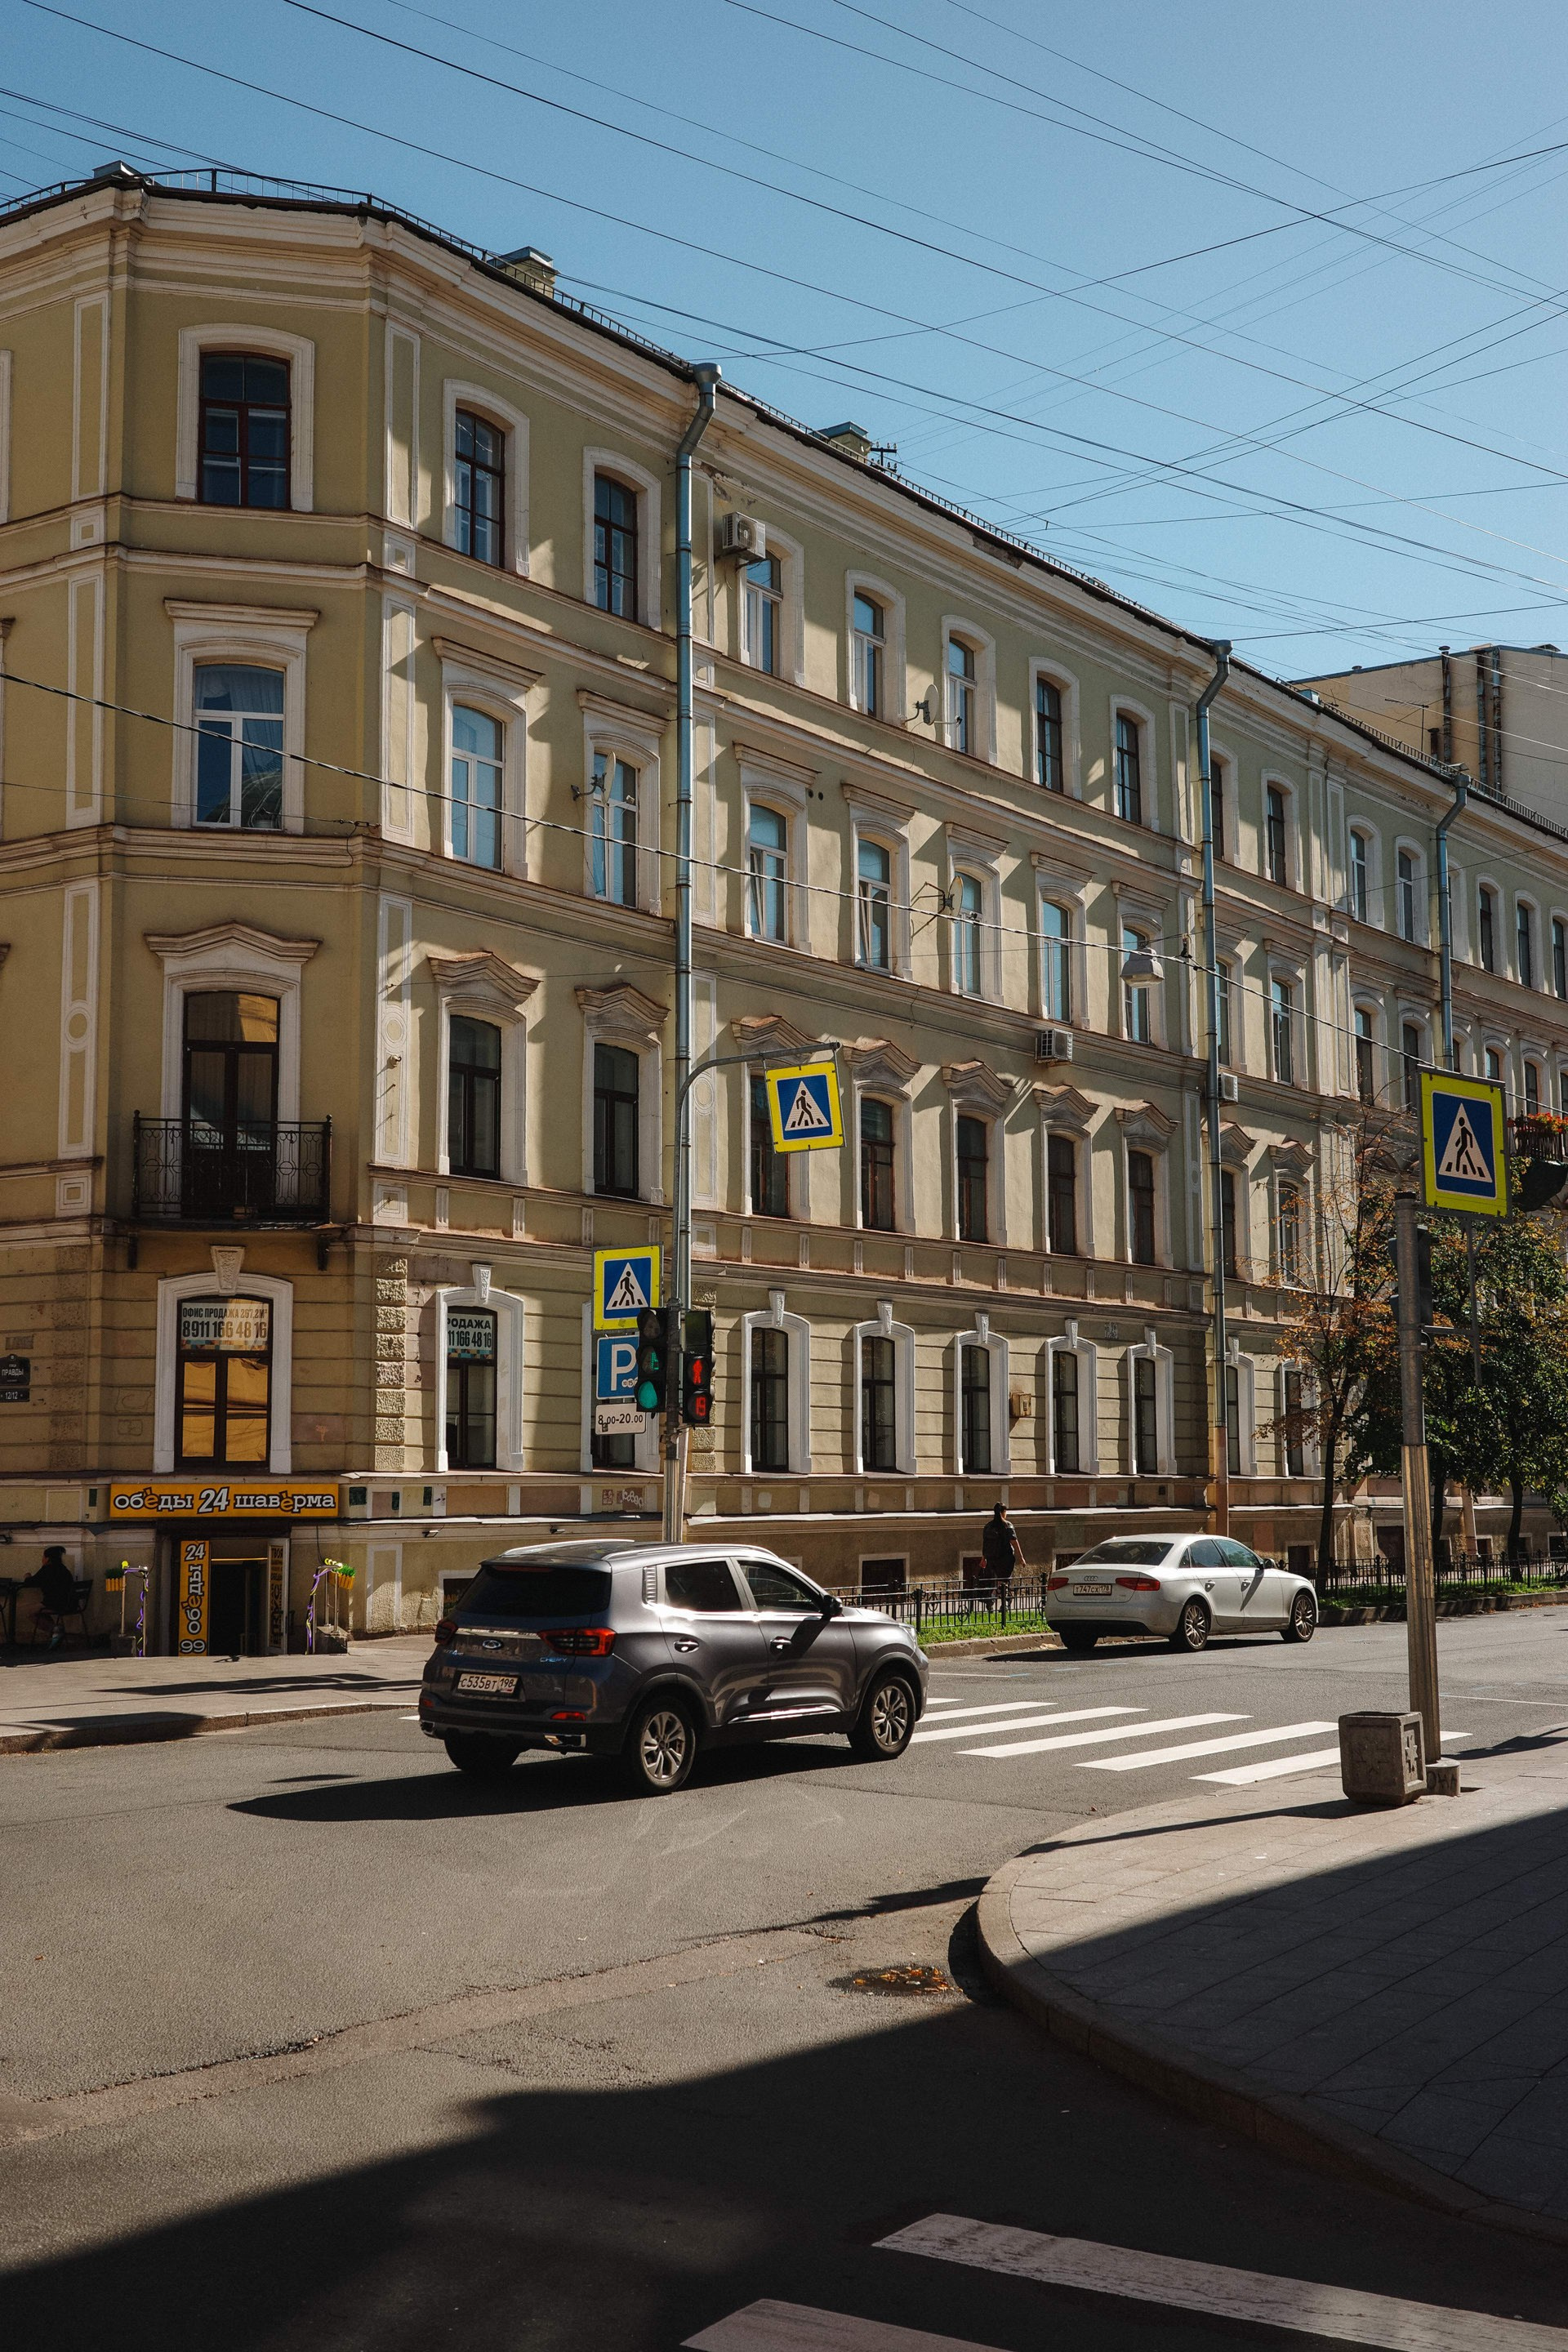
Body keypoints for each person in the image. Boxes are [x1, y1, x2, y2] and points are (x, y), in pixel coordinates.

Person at [23, 1546, 78, 1649]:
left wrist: (27, 1576)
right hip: (71, 1604)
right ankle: (54, 1635)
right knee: (40, 1612)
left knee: (30, 1612)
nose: (42, 1559)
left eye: (43, 1557)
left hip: (55, 1604)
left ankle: (55, 1630)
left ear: (47, 1559)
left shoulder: (47, 1569)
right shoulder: (63, 1569)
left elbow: (30, 1582)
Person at [980, 1502, 1025, 1590]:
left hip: (992, 1559)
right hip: (1005, 1558)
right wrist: (1021, 1558)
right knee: (1003, 1582)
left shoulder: (988, 1526)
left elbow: (985, 1544)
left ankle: (996, 1595)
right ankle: (997, 1595)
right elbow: (1014, 1543)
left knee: (997, 1581)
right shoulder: (1007, 1525)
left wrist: (983, 1559)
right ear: (1004, 1512)